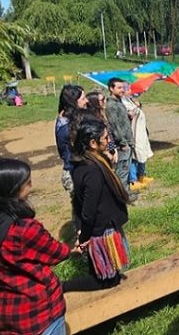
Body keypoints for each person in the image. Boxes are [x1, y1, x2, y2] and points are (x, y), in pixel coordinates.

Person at [0, 158, 81, 335]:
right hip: (40, 312)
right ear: (12, 190)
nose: (31, 185)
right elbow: (54, 252)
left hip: (5, 311)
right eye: (27, 183)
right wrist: (71, 249)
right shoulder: (23, 229)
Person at [63, 118, 131, 292]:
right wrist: (84, 238)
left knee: (109, 275)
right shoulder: (92, 170)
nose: (108, 141)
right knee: (107, 279)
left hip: (102, 227)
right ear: (93, 143)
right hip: (101, 231)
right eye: (106, 138)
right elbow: (88, 210)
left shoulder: (86, 164)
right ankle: (62, 287)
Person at [55, 85, 88, 206]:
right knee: (84, 207)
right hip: (74, 172)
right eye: (83, 98)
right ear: (74, 101)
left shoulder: (64, 116)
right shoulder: (68, 127)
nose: (87, 101)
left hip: (74, 169)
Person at [105, 77, 136, 200]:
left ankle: (126, 192)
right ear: (111, 89)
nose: (122, 90)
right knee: (122, 171)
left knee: (126, 169)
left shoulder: (119, 101)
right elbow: (114, 126)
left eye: (123, 87)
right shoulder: (111, 105)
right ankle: (122, 197)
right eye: (119, 87)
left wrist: (128, 117)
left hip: (127, 141)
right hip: (122, 144)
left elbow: (121, 121)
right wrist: (123, 142)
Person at [122, 84, 154, 189]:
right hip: (133, 133)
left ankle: (141, 175)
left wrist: (138, 103)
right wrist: (137, 106)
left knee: (142, 152)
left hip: (141, 132)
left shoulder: (130, 100)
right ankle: (133, 180)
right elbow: (130, 114)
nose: (130, 91)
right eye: (128, 90)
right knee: (135, 155)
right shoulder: (123, 102)